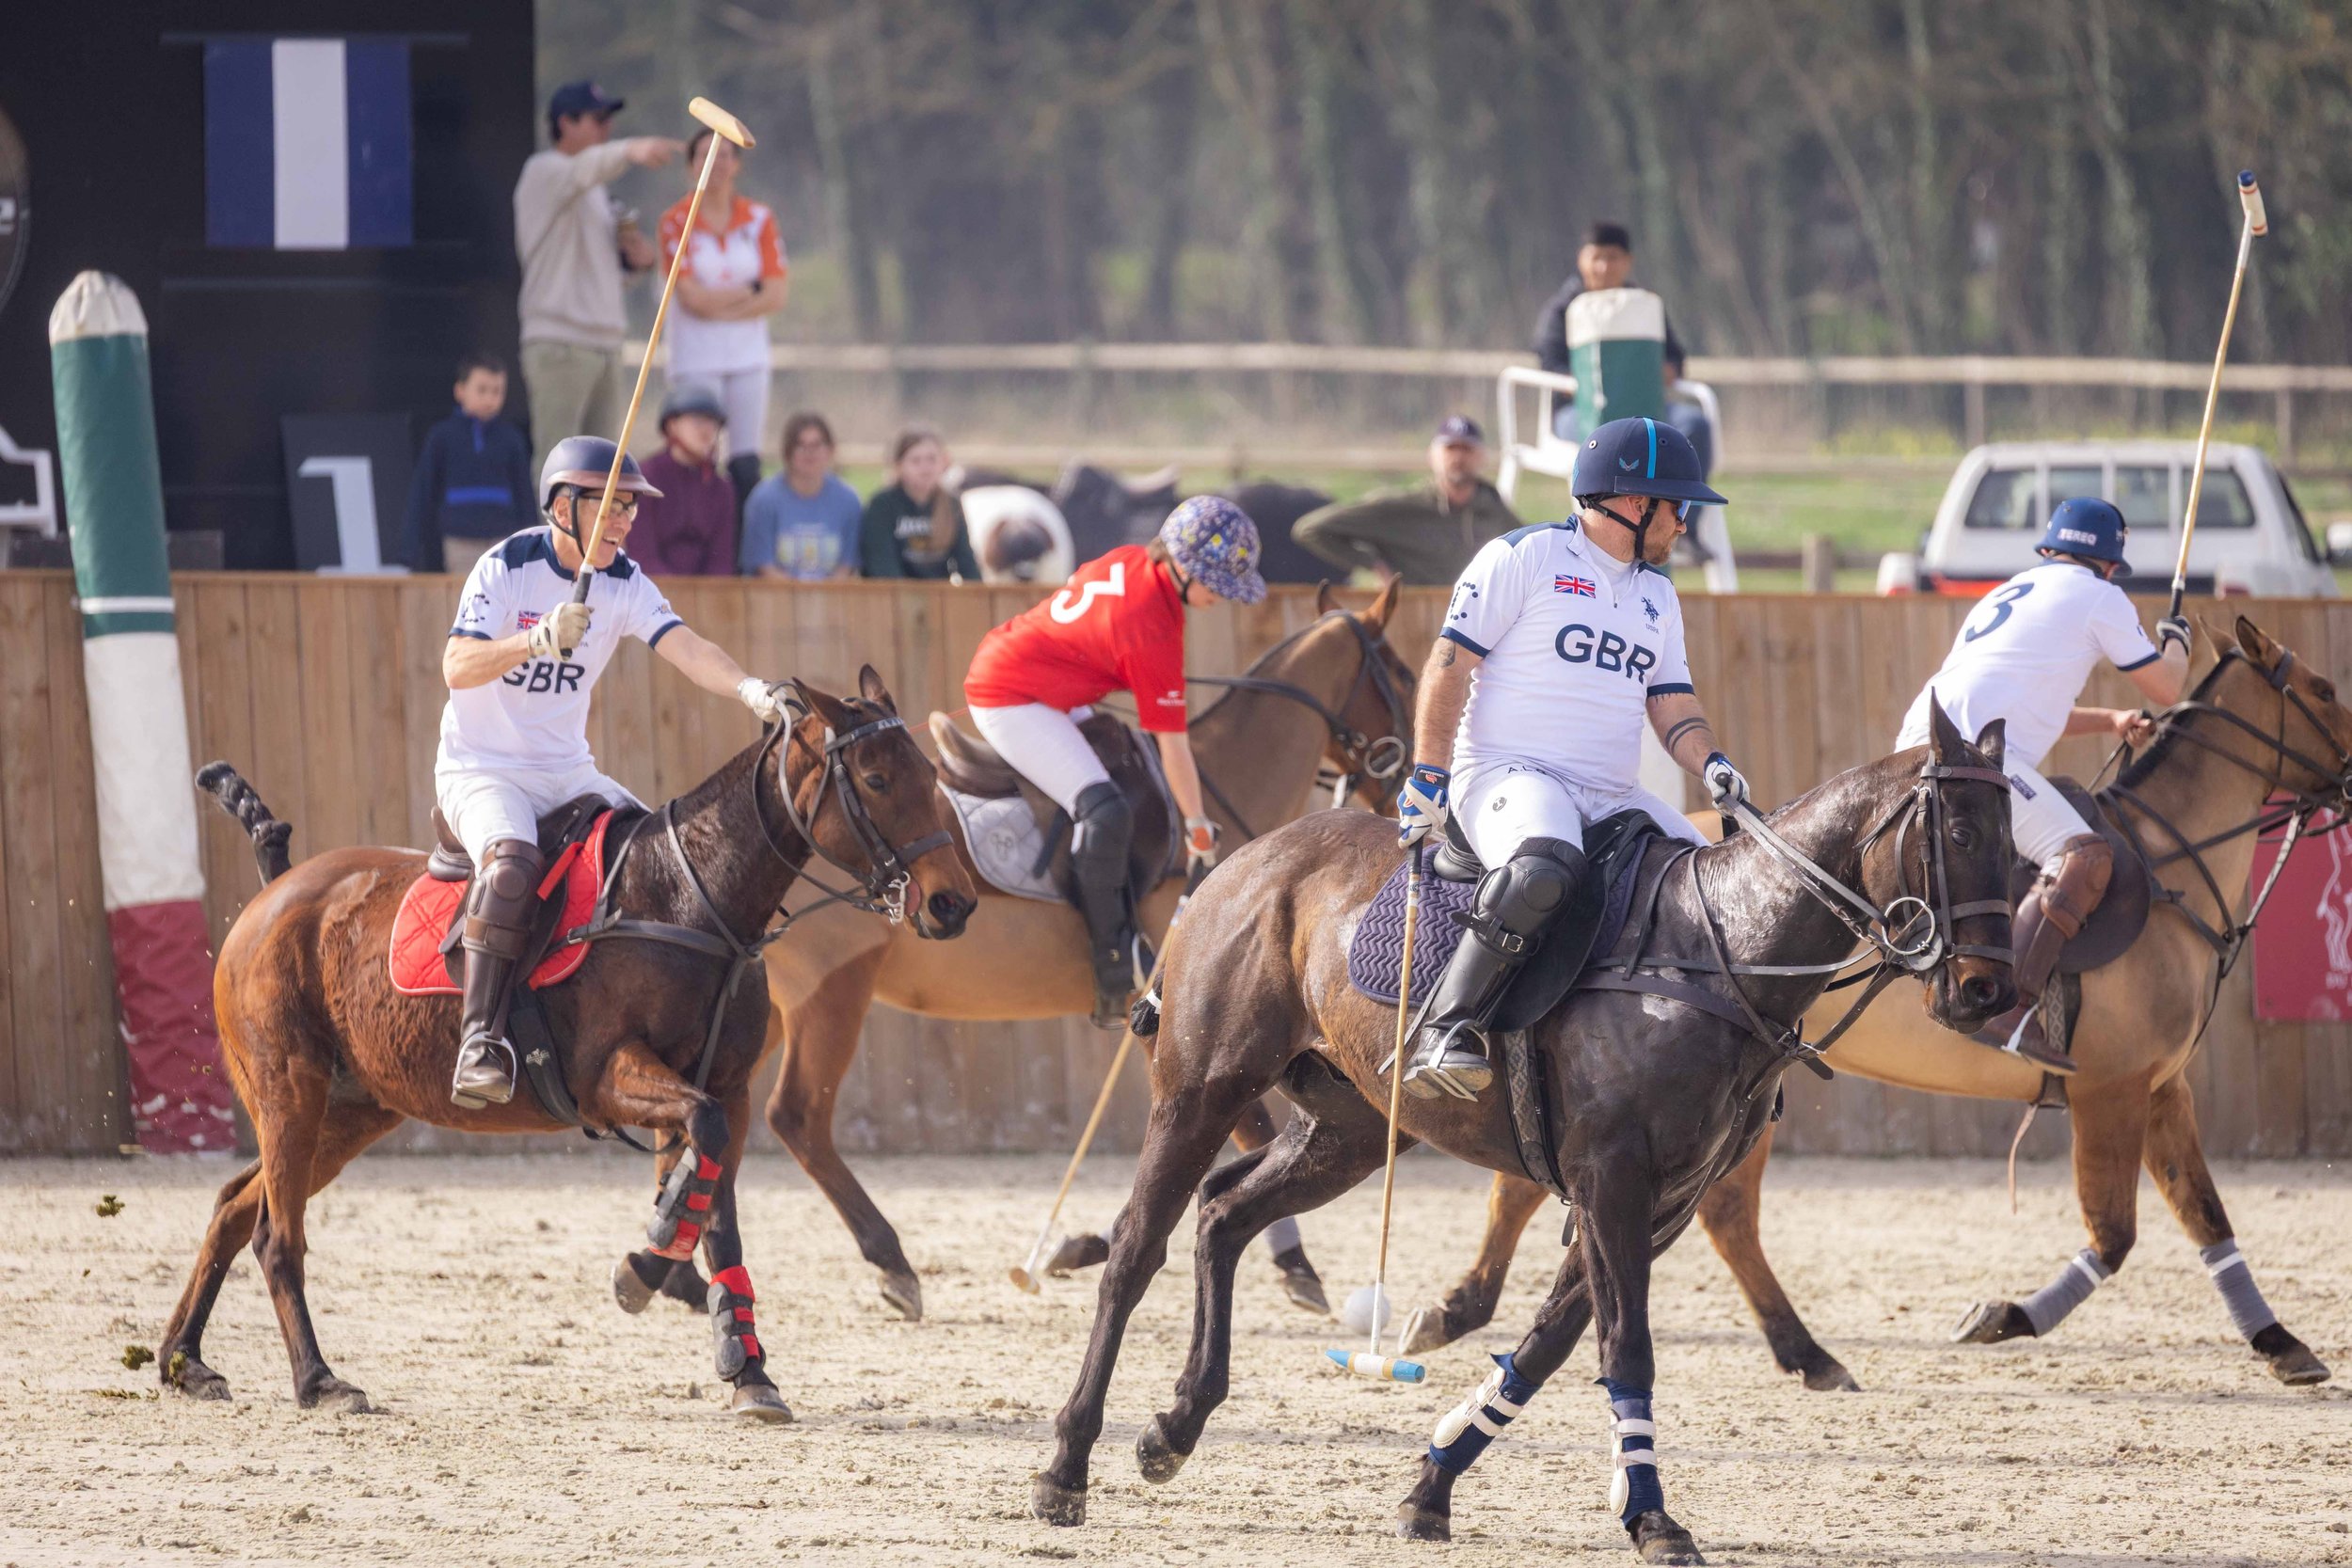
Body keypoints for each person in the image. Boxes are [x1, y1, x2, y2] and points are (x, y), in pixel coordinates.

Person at [1393, 416, 1742, 1101]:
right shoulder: (1523, 556)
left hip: (1611, 790)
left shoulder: (1657, 595)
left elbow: (1672, 703)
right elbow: (1447, 662)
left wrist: (1713, 763)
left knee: (1715, 889)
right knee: (1545, 865)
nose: (1685, 523)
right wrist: (1428, 773)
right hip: (1507, 771)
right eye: (1679, 506)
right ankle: (1445, 1026)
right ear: (1633, 503)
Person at [436, 435, 790, 1108]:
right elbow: (457, 665)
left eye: (631, 507)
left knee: (658, 852)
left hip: (568, 769)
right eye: (614, 505)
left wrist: (751, 689)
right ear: (565, 506)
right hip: (483, 768)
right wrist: (533, 638)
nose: (627, 519)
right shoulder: (505, 565)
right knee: (512, 865)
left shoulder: (624, 578)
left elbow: (684, 645)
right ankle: (479, 1039)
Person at [1895, 497, 2190, 1073]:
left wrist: (2107, 721)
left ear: (2052, 549)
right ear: (2108, 563)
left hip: (1917, 745)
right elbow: (2168, 687)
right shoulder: (2100, 596)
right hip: (1971, 763)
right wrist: (2175, 639)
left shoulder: (2014, 590)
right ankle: (2004, 1007)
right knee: (2084, 855)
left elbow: (2026, 701)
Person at [961, 497, 1267, 1027]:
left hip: (1036, 677)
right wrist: (1197, 827)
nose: (1221, 598)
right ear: (1183, 566)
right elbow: (1173, 745)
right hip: (1010, 697)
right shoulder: (1150, 625)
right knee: (1105, 810)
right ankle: (1112, 964)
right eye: (1217, 585)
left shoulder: (1133, 560)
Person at [514, 82, 681, 466]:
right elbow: (585, 169)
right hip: (560, 342)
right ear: (565, 123)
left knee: (599, 468)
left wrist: (633, 262)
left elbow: (596, 270)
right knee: (558, 464)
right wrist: (631, 150)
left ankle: (592, 530)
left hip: (604, 341)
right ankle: (550, 529)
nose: (607, 128)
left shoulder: (596, 192)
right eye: (598, 119)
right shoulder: (544, 171)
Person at [659, 121, 789, 508]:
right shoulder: (675, 221)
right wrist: (749, 292)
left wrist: (721, 301)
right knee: (696, 457)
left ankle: (741, 559)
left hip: (748, 358)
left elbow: (776, 293)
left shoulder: (759, 218)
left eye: (725, 155)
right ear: (691, 166)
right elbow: (690, 299)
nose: (716, 163)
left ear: (737, 165)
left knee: (745, 462)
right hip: (695, 359)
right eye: (705, 155)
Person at [1291, 416, 1519, 586]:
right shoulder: (1399, 508)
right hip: (1413, 621)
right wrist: (1373, 563)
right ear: (1432, 456)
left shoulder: (1498, 515)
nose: (1458, 457)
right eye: (1450, 448)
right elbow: (1310, 529)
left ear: (1482, 457)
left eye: (1467, 449)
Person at [402, 352, 536, 578]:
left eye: (497, 391)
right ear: (460, 391)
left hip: (503, 540)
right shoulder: (442, 436)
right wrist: (409, 549)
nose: (490, 399)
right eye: (482, 390)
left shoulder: (511, 438)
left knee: (504, 601)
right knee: (464, 599)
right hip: (459, 540)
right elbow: (423, 492)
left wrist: (533, 545)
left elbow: (525, 494)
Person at [630, 383, 739, 577]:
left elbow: (722, 561)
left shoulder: (721, 488)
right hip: (652, 593)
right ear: (672, 425)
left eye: (713, 423)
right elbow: (642, 555)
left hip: (708, 599)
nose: (707, 431)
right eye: (697, 421)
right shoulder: (645, 478)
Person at [740, 412, 863, 579]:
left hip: (832, 598)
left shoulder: (848, 500)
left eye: (817, 445)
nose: (809, 453)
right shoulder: (764, 499)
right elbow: (763, 566)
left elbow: (847, 566)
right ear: (788, 452)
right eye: (800, 445)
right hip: (775, 598)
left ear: (830, 450)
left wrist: (823, 598)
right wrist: (798, 598)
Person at [860, 426, 979, 579]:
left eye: (932, 459)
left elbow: (967, 565)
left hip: (938, 596)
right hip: (892, 596)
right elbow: (883, 567)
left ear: (943, 462)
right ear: (898, 466)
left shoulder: (951, 504)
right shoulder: (882, 506)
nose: (925, 468)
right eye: (916, 461)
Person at [1661, 346, 1713, 480]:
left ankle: (1690, 498)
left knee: (1694, 424)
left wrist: (1669, 366)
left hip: (1655, 403)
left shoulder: (1649, 324)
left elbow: (1674, 355)